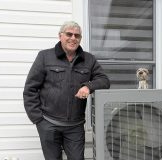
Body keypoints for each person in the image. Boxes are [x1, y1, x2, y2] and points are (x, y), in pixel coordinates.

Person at [23, 21, 110, 160]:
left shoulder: (89, 59)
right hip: (48, 123)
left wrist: (88, 86)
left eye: (77, 35)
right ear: (60, 36)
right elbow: (30, 89)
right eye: (69, 34)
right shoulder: (45, 57)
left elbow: (104, 81)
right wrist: (38, 119)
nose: (73, 38)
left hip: (75, 126)